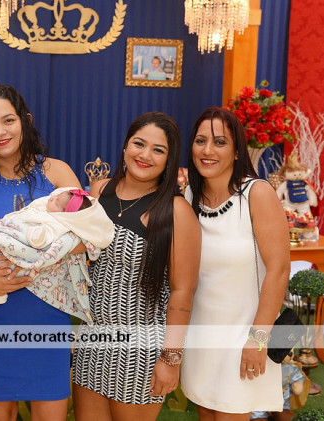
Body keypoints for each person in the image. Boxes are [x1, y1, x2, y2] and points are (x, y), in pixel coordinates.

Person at [0, 83, 82, 421]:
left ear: (25, 121)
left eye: (8, 120)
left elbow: (90, 235)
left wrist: (41, 253)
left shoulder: (56, 172)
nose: (0, 131)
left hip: (47, 315)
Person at [72, 112, 201, 421]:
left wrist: (170, 359)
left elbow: (182, 293)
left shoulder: (175, 211)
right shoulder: (99, 191)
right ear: (125, 146)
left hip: (141, 351)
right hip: (92, 342)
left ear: (169, 160)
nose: (145, 155)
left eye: (158, 149)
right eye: (139, 144)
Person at [180, 107, 290, 419]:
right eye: (200, 141)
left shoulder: (257, 193)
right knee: (205, 410)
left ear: (237, 150)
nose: (207, 150)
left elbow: (279, 270)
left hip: (245, 334)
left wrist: (258, 339)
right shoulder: (189, 195)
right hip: (200, 334)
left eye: (219, 142)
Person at [0, 187, 114, 323]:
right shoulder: (46, 210)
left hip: (38, 295)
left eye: (57, 202)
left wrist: (28, 249)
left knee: (4, 262)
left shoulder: (57, 224)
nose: (52, 198)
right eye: (56, 197)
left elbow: (40, 240)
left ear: (64, 214)